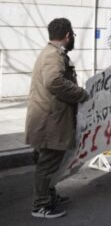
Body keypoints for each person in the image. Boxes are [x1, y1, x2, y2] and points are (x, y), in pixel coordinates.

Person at [25, 18, 89, 219]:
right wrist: (80, 94)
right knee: (48, 164)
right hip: (49, 120)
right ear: (68, 35)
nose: (73, 38)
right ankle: (41, 205)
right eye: (73, 35)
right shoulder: (53, 55)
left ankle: (49, 195)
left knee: (51, 163)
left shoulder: (52, 53)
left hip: (49, 118)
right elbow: (54, 81)